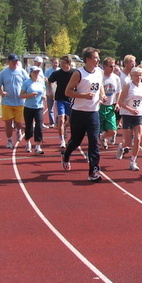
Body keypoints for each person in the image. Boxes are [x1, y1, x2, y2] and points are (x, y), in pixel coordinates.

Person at [60, 47, 106, 182]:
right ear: (87, 59)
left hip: (93, 112)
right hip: (79, 112)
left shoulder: (99, 72)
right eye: (95, 58)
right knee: (76, 140)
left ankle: (93, 171)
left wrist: (102, 95)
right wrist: (84, 95)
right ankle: (66, 155)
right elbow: (67, 92)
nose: (98, 60)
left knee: (94, 142)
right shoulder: (79, 73)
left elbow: (100, 85)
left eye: (98, 57)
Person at [116, 67, 142, 171]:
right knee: (128, 142)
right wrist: (130, 109)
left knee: (138, 139)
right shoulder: (128, 86)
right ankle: (121, 147)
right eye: (136, 75)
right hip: (127, 115)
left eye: (140, 75)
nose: (139, 77)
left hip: (139, 114)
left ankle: (133, 161)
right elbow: (121, 101)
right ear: (132, 76)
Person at [0, 54, 29, 149]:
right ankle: (9, 140)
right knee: (8, 122)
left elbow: (28, 83)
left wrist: (26, 92)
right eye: (13, 61)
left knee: (18, 123)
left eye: (16, 61)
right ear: (8, 61)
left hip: (20, 102)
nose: (15, 63)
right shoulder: (3, 73)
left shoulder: (22, 72)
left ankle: (19, 130)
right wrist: (1, 92)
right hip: (7, 102)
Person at [47, 55, 75, 150]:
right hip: (60, 98)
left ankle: (65, 127)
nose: (61, 64)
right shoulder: (57, 73)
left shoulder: (74, 73)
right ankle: (62, 140)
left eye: (63, 63)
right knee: (61, 119)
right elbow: (49, 81)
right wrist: (50, 91)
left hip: (71, 99)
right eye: (60, 62)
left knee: (70, 122)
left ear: (68, 63)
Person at [19, 66, 46, 154]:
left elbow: (44, 90)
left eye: (38, 72)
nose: (36, 74)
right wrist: (30, 95)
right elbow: (21, 95)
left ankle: (38, 146)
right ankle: (28, 142)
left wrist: (44, 96)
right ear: (30, 73)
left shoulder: (41, 82)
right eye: (34, 72)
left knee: (39, 126)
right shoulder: (26, 83)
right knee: (29, 126)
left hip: (39, 107)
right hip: (28, 107)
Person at [100, 57, 122, 150]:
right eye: (110, 66)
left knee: (113, 131)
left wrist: (117, 103)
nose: (112, 68)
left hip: (110, 106)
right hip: (99, 106)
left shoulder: (116, 78)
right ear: (104, 66)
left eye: (113, 66)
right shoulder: (100, 77)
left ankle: (103, 137)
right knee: (97, 129)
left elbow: (118, 92)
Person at [44, 57, 60, 128]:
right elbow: (47, 81)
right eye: (54, 63)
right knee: (50, 108)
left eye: (57, 63)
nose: (56, 64)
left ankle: (58, 122)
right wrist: (50, 91)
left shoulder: (60, 71)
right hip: (50, 91)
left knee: (58, 107)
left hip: (58, 92)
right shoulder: (48, 71)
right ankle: (52, 122)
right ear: (52, 63)